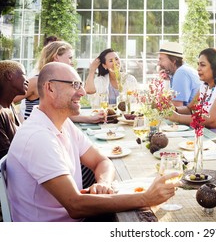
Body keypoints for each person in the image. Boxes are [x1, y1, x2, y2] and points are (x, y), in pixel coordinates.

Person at [6, 62, 181, 222]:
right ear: (50, 88)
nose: (82, 92)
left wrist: (103, 183)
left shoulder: (63, 123)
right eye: (75, 85)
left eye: (80, 85)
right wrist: (145, 198)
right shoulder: (37, 137)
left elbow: (101, 161)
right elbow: (75, 205)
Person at [13, 41, 105, 124]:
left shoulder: (60, 82)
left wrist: (90, 119)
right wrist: (18, 123)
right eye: (70, 58)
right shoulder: (37, 81)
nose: (72, 62)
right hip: (38, 134)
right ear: (56, 57)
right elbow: (6, 101)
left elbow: (61, 112)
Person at [168, 47, 216, 135]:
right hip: (203, 136)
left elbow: (212, 121)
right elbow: (190, 109)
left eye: (202, 65)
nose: (198, 68)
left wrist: (178, 117)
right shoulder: (205, 86)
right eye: (198, 64)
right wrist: (172, 109)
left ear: (215, 67)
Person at [157, 41, 201, 106]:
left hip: (188, 115)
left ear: (174, 61)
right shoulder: (182, 70)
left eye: (161, 59)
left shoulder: (181, 73)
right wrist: (168, 81)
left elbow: (176, 107)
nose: (158, 63)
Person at [0, 60, 28, 158]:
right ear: (9, 75)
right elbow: (6, 157)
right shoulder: (1, 112)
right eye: (24, 74)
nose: (27, 80)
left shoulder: (10, 106)